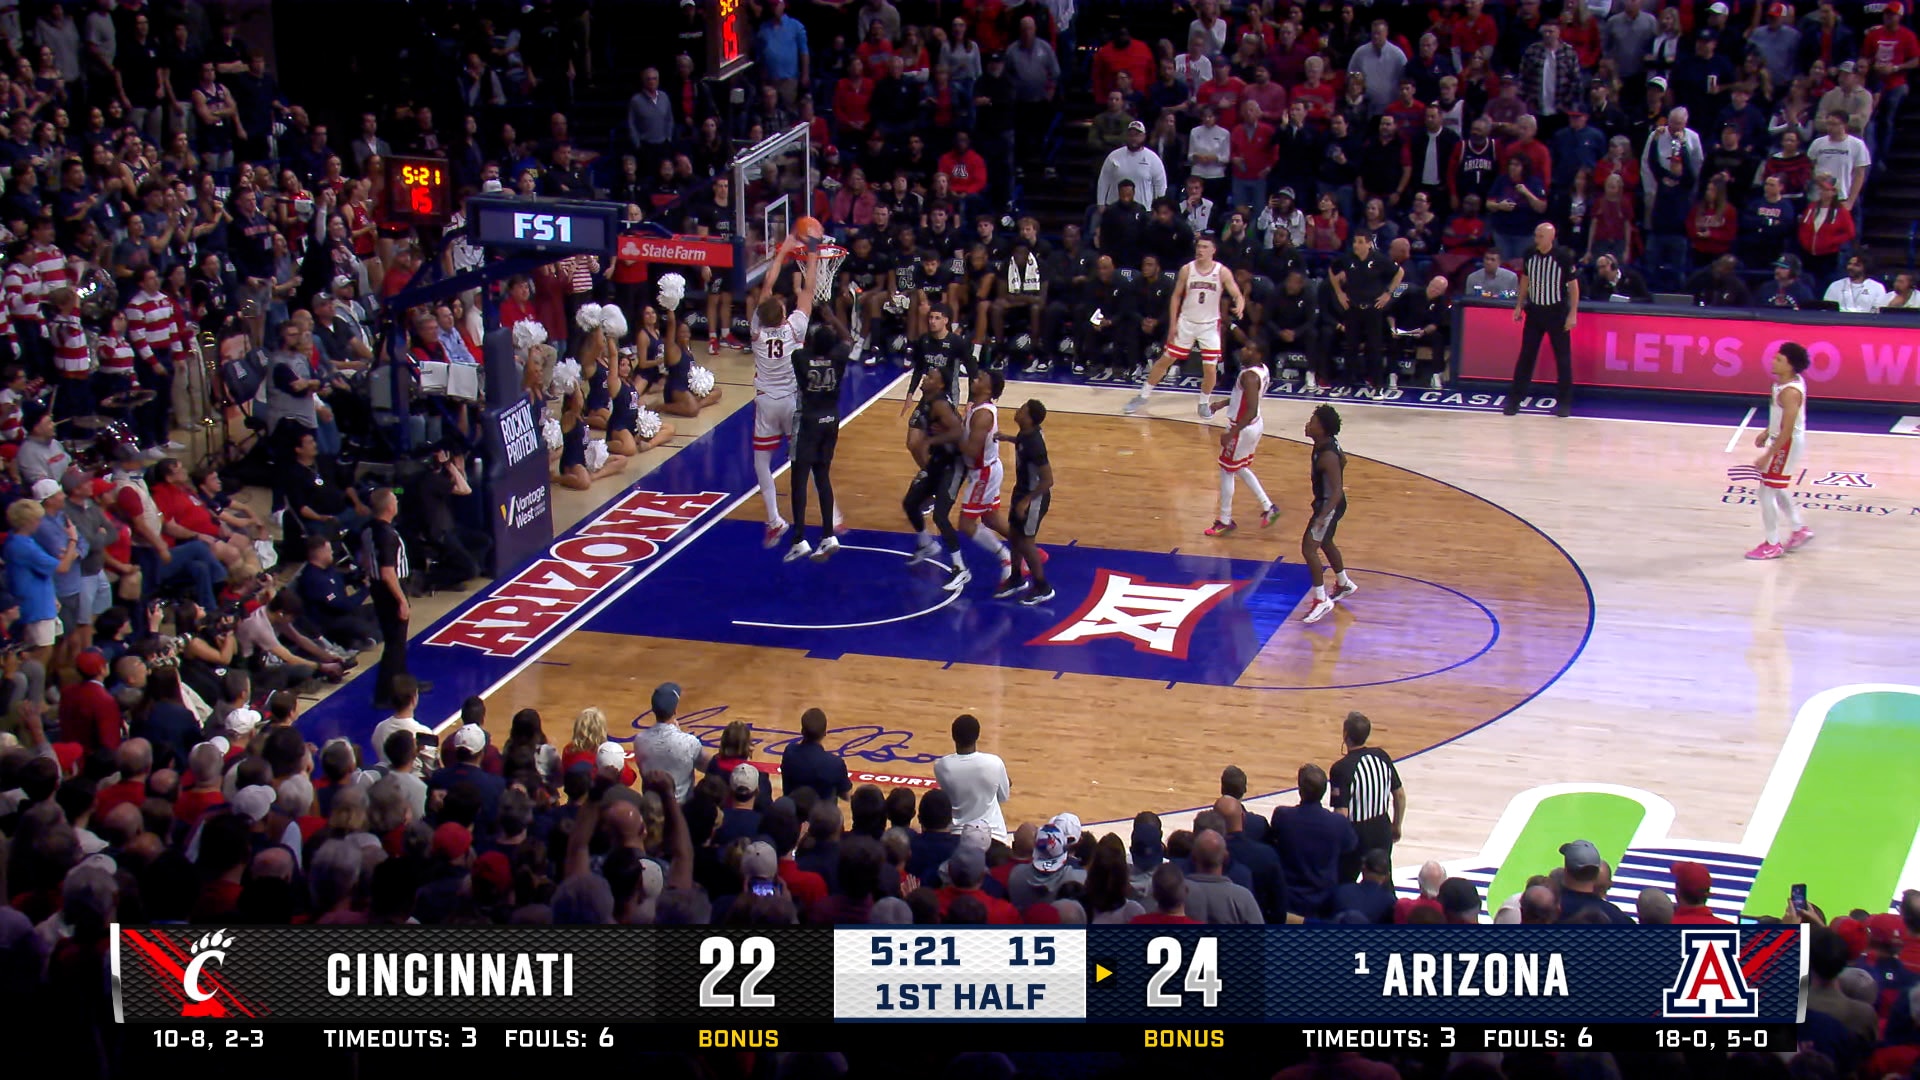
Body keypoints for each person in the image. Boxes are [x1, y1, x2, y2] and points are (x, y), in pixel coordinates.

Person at [747, 236, 824, 548]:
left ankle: (774, 519)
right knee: (804, 459)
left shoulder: (756, 331)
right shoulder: (794, 328)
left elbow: (766, 286)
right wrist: (812, 252)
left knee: (761, 464)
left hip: (767, 402)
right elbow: (808, 290)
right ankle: (831, 515)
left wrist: (782, 253)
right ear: (781, 312)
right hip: (792, 401)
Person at [1124, 234, 1246, 418]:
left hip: (1209, 325)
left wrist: (1240, 305)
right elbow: (1175, 297)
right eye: (1198, 246)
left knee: (1210, 368)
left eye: (1205, 247)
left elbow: (1236, 294)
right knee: (1165, 360)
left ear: (1213, 250)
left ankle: (1203, 402)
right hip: (1187, 322)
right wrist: (1173, 324)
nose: (1200, 250)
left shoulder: (1222, 271)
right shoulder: (1187, 270)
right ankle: (1142, 396)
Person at [784, 311, 852, 563]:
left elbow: (800, 346)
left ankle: (799, 539)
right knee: (822, 476)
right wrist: (831, 316)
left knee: (799, 480)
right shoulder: (838, 357)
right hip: (831, 421)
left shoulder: (800, 357)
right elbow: (847, 339)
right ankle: (827, 535)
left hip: (808, 422)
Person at [1201, 342, 1281, 538]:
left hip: (1242, 427)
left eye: (1250, 349)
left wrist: (1232, 433)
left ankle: (1225, 520)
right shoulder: (1262, 370)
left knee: (1226, 471)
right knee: (1239, 467)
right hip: (1254, 424)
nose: (1244, 350)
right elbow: (1246, 397)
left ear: (1259, 354)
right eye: (1245, 347)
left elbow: (1250, 408)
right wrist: (1223, 403)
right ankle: (1268, 507)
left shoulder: (1249, 376)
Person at [1745, 342, 1813, 561]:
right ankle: (1798, 529)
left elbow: (1788, 428)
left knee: (1766, 492)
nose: (1773, 362)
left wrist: (1768, 455)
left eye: (1779, 360)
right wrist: (1767, 432)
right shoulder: (1782, 383)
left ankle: (1772, 544)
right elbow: (1779, 419)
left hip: (1787, 443)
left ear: (1790, 366)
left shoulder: (1790, 392)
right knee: (1775, 487)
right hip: (1781, 440)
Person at [1506, 222, 1580, 417]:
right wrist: (1519, 304)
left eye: (1540, 236)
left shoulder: (1563, 257)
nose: (1536, 239)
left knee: (1562, 359)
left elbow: (1573, 286)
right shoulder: (1530, 253)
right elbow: (1525, 279)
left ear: (1550, 238)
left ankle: (1564, 403)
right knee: (1526, 357)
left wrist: (1572, 313)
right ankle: (1515, 400)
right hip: (1535, 312)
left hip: (1557, 313)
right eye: (1536, 235)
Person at [950, 368, 1013, 594]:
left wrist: (952, 431)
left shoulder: (983, 414)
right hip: (985, 470)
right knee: (991, 518)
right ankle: (1029, 550)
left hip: (983, 473)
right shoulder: (976, 408)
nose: (974, 379)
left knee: (966, 524)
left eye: (980, 378)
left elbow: (971, 450)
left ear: (988, 388)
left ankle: (1006, 556)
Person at [1328, 711, 1406, 880]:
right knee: (1383, 881)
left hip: (1356, 833)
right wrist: (1396, 825)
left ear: (1345, 735)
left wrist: (1336, 843)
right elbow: (1399, 795)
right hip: (1382, 828)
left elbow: (1341, 813)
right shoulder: (1382, 756)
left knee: (1344, 882)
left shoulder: (1341, 768)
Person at [360, 488, 419, 708]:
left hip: (379, 587)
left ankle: (404, 685)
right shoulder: (386, 534)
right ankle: (385, 694)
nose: (397, 502)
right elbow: (387, 571)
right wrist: (401, 600)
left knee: (397, 642)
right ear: (389, 507)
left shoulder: (369, 528)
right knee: (395, 643)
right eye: (394, 500)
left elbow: (365, 558)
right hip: (390, 589)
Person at [1300, 404, 1354, 626]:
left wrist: (1323, 516)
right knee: (1326, 541)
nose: (1308, 424)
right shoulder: (1324, 443)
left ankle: (1321, 600)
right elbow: (1345, 460)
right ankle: (1343, 583)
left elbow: (1337, 490)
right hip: (1328, 503)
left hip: (1329, 505)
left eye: (1312, 422)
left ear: (1322, 429)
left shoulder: (1328, 456)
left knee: (1309, 548)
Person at [995, 399, 1053, 605]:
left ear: (1028, 418)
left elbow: (1048, 480)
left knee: (1027, 543)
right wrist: (1007, 438)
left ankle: (1043, 587)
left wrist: (1026, 501)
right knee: (1014, 536)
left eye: (1022, 410)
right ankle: (1016, 578)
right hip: (1021, 491)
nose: (1017, 411)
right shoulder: (1026, 433)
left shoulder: (1035, 444)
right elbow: (1021, 443)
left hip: (1034, 497)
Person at [1329, 232, 1401, 396]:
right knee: (1350, 347)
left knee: (1374, 348)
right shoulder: (1348, 258)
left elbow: (1399, 272)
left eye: (1360, 242)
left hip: (1372, 309)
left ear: (1369, 244)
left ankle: (1377, 385)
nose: (1356, 245)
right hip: (1353, 308)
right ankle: (1346, 384)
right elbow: (1332, 270)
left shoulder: (1379, 259)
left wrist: (1388, 293)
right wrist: (1339, 293)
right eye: (1355, 242)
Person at [931, 713, 1011, 843]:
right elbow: (1003, 797)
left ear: (953, 736)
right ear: (977, 736)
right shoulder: (994, 763)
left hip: (957, 836)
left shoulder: (941, 766)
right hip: (994, 836)